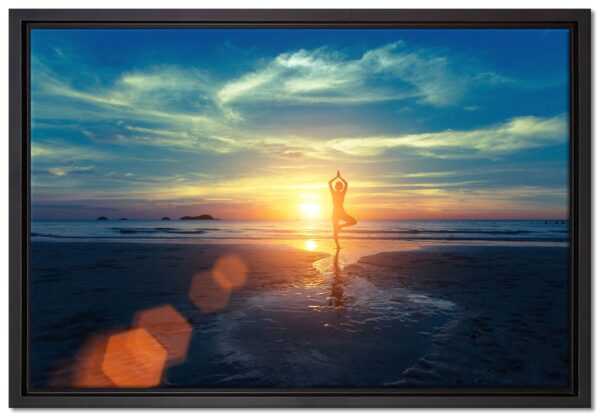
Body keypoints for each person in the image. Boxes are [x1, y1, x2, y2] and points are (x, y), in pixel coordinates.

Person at [328, 170, 357, 248]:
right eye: (337, 186)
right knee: (335, 231)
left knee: (354, 221)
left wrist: (340, 178)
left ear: (341, 187)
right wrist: (336, 177)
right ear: (335, 187)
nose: (339, 187)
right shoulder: (333, 193)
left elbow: (346, 184)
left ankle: (340, 226)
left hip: (341, 212)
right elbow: (329, 183)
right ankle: (338, 246)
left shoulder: (342, 193)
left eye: (340, 186)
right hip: (335, 213)